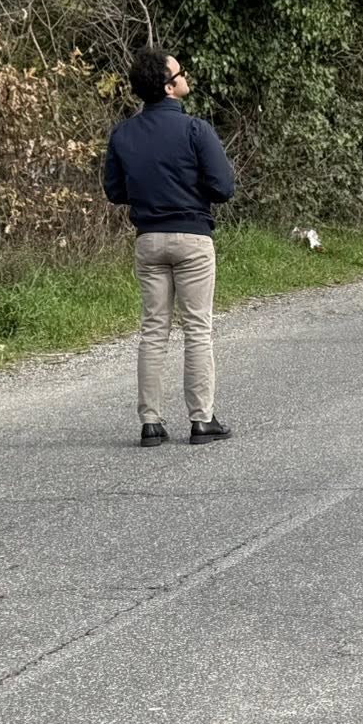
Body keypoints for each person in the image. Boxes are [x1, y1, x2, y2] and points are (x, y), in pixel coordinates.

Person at [102, 47, 237, 446]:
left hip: (148, 240)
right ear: (168, 87)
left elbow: (114, 191)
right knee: (197, 329)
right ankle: (201, 420)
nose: (185, 76)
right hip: (192, 237)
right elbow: (223, 187)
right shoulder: (196, 130)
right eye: (180, 73)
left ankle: (151, 423)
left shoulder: (122, 134)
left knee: (153, 331)